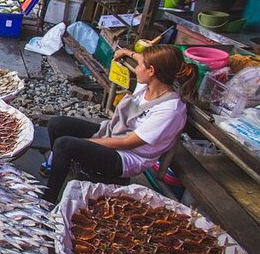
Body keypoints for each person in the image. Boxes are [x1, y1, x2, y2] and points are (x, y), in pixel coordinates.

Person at [41, 45, 199, 204]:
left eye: (139, 65)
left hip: (127, 157)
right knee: (56, 124)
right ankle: (59, 166)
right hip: (114, 132)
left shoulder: (170, 110)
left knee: (64, 145)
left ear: (151, 71)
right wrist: (126, 52)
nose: (136, 68)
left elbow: (127, 143)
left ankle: (49, 199)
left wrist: (84, 143)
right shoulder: (149, 83)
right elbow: (141, 58)